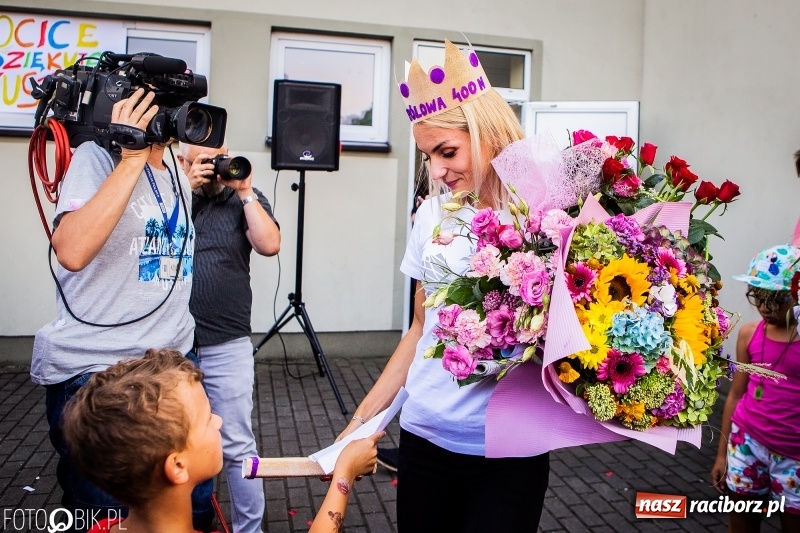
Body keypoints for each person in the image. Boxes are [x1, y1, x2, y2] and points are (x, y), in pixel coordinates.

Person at [337, 40, 550, 532]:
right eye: (428, 154)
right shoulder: (431, 215)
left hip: (507, 452)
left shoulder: (545, 217)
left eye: (447, 151)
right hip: (424, 439)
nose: (435, 170)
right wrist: (359, 425)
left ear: (488, 133)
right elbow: (419, 329)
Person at [30, 88, 213, 529]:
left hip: (169, 368)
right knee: (110, 517)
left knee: (193, 511)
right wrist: (130, 157)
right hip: (101, 374)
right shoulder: (96, 156)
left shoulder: (171, 165)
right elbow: (70, 250)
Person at [61, 349, 385, 533]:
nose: (219, 421)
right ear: (177, 466)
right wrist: (343, 476)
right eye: (207, 420)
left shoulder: (104, 527)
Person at [177, 142, 281, 533]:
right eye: (200, 159)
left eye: (217, 156)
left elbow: (270, 245)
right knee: (177, 444)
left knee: (237, 444)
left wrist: (244, 190)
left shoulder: (245, 200)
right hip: (173, 344)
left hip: (228, 341)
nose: (211, 166)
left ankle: (248, 530)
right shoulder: (172, 192)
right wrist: (184, 187)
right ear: (184, 161)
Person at [711, 244, 800, 532]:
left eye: (774, 300)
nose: (764, 308)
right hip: (747, 444)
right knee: (741, 521)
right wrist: (722, 454)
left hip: (794, 455)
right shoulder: (750, 333)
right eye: (758, 298)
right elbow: (736, 394)